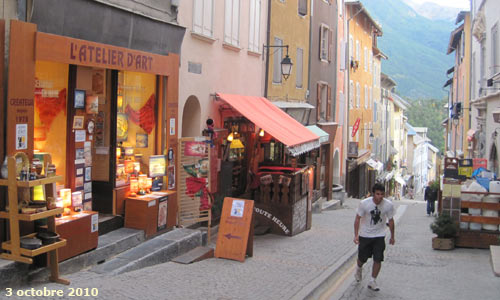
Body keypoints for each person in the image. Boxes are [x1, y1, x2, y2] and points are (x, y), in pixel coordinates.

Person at [353, 183, 395, 291]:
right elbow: (358, 218)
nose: (379, 197)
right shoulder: (364, 203)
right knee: (363, 258)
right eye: (377, 194)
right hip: (365, 235)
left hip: (379, 235)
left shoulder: (388, 205)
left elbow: (391, 220)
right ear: (373, 194)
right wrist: (356, 235)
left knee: (378, 258)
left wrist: (392, 236)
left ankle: (372, 280)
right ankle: (359, 268)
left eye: (382, 194)